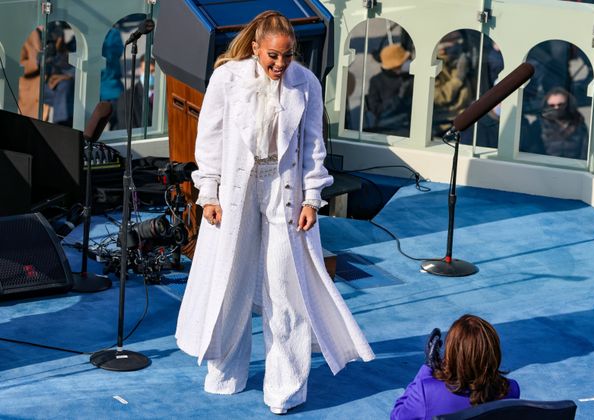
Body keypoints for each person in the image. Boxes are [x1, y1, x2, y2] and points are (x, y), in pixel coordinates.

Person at [175, 10, 375, 415]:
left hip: (286, 191)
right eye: (272, 56)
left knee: (287, 289)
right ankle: (225, 373)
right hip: (236, 190)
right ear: (255, 48)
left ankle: (285, 388)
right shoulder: (227, 79)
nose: (280, 64)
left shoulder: (306, 83)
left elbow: (313, 147)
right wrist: (208, 193)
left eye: (287, 56)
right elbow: (209, 139)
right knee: (230, 280)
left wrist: (311, 199)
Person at [391, 315, 520, 420]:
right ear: (494, 352)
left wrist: (427, 369)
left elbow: (397, 416)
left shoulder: (426, 391)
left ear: (452, 352)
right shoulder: (511, 389)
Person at [520, 87, 589, 159]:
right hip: (545, 166)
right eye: (552, 105)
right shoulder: (538, 125)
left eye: (561, 104)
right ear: (546, 105)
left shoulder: (579, 124)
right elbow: (531, 151)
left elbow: (584, 152)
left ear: (568, 104)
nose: (556, 108)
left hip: (573, 167)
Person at [365, 43, 413, 136]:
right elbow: (376, 109)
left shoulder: (410, 77)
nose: (408, 62)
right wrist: (397, 98)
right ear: (395, 65)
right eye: (405, 61)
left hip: (410, 123)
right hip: (389, 127)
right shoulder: (376, 81)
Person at [432, 31, 474, 138]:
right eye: (454, 46)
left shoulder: (455, 62)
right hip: (445, 121)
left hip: (465, 115)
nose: (458, 49)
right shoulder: (434, 65)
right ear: (442, 49)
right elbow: (438, 96)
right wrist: (459, 78)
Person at [113, 54, 155, 130]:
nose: (149, 75)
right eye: (145, 70)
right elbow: (127, 131)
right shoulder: (127, 98)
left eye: (153, 71)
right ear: (140, 71)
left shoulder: (164, 95)